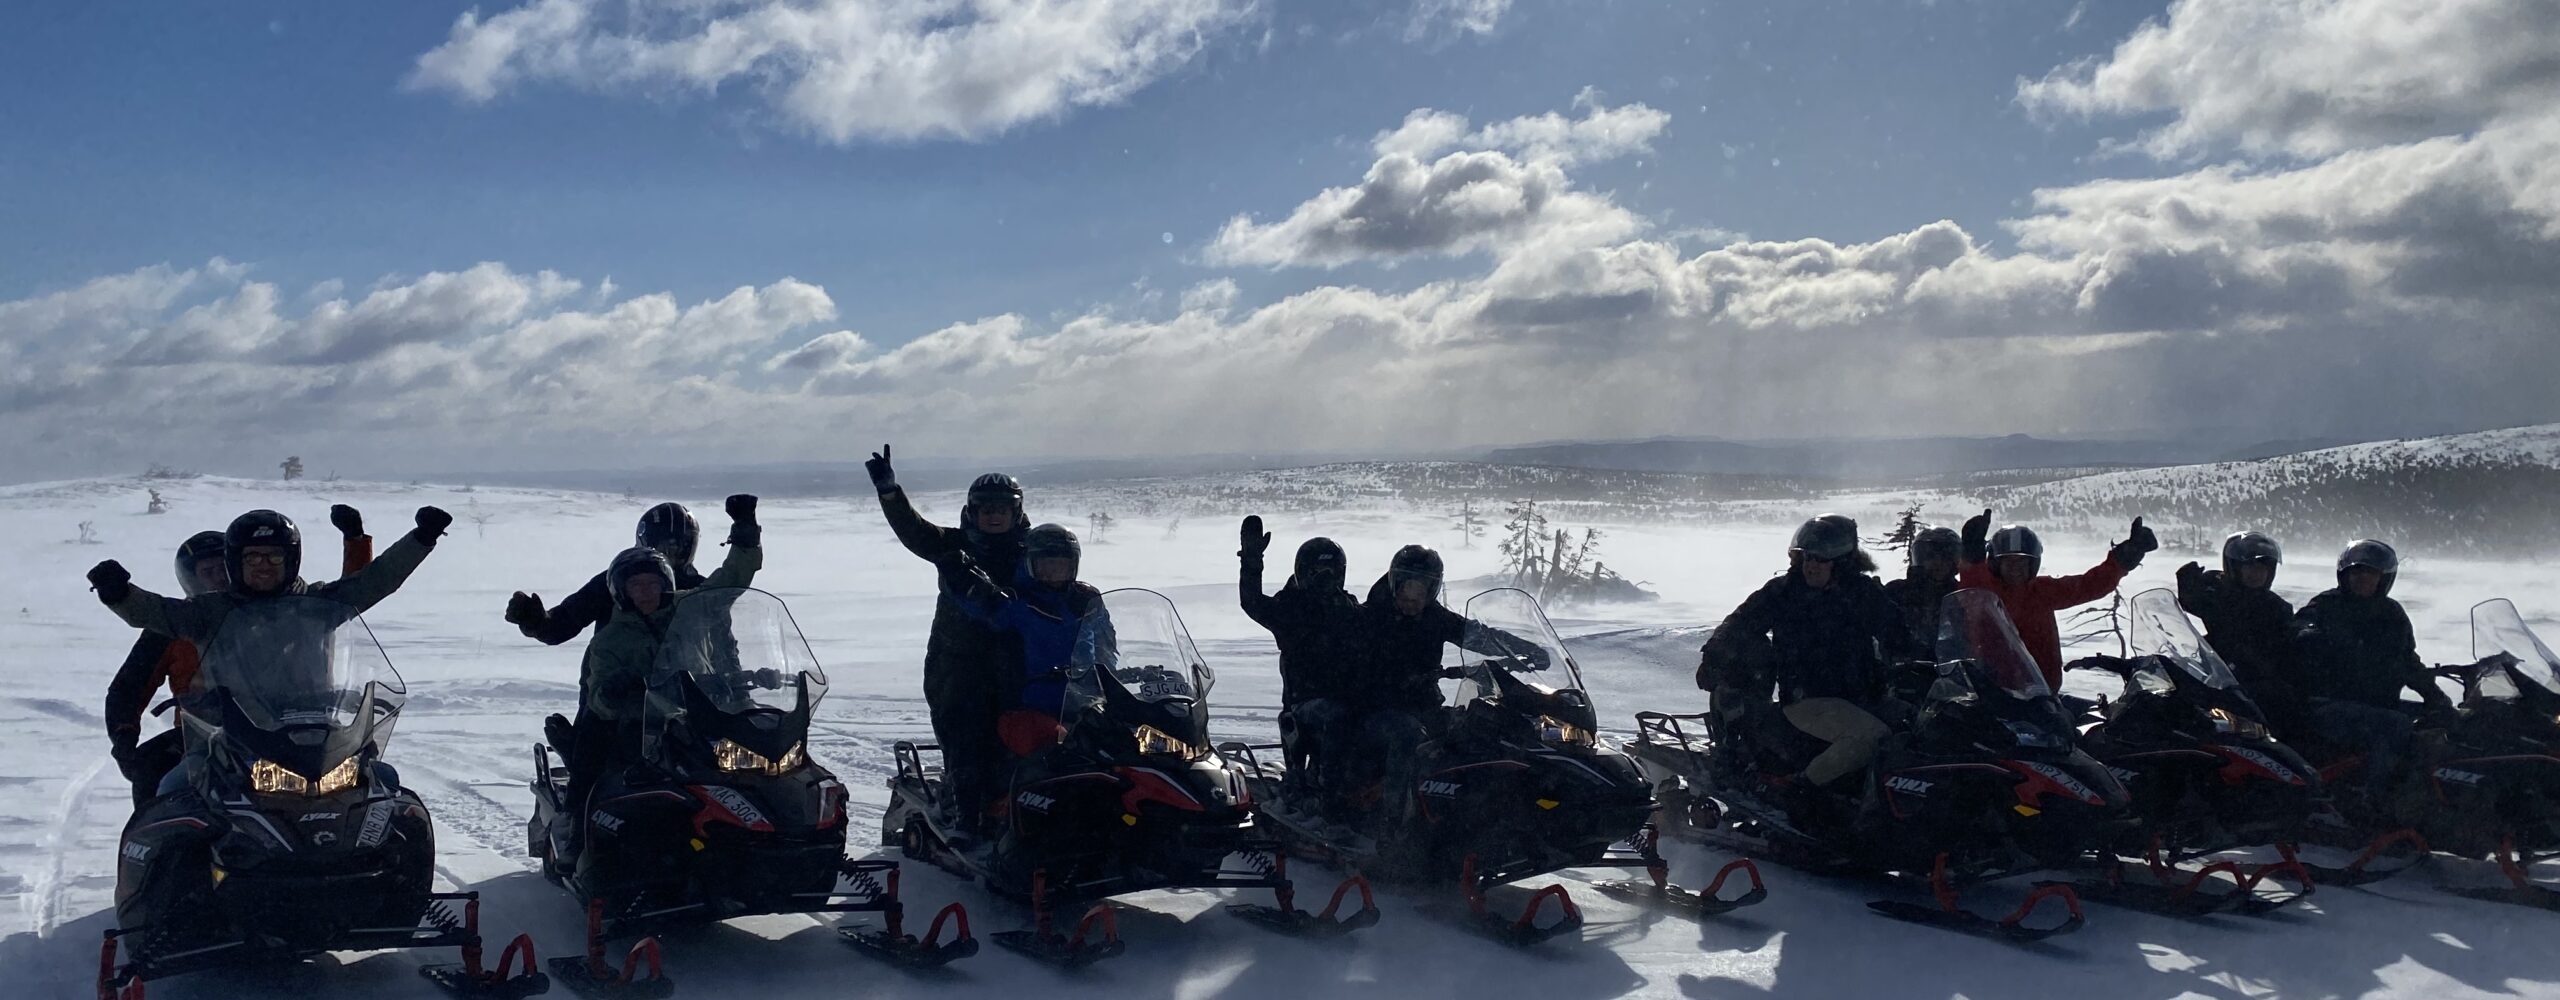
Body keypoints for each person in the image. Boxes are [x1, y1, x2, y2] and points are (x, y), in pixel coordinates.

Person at [86, 505, 451, 798]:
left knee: (385, 791)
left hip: (318, 733)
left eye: (274, 558)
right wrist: (119, 593)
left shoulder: (315, 604)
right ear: (237, 563)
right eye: (253, 558)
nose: (263, 566)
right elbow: (155, 613)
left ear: (290, 560)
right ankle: (154, 880)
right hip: (224, 739)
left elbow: (371, 583)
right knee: (170, 790)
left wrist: (420, 539)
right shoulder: (208, 612)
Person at [555, 495, 762, 858]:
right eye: (637, 586)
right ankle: (576, 823)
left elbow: (733, 579)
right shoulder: (611, 639)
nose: (647, 593)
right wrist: (614, 694)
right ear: (622, 591)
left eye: (653, 584)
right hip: (636, 719)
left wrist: (745, 533)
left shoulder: (689, 607)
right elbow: (599, 688)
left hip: (693, 709)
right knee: (595, 750)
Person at [1698, 515, 1920, 824]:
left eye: (1818, 559)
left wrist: (1930, 658)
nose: (1809, 565)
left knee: (1923, 727)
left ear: (1841, 562)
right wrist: (1714, 655)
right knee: (1870, 737)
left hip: (1865, 696)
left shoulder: (1862, 593)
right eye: (1805, 557)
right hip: (1808, 700)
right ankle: (1800, 789)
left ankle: (1906, 815)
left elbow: (1899, 633)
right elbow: (1739, 623)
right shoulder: (1785, 592)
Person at [863, 444, 1031, 835]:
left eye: (1001, 509)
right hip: (957, 663)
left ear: (1015, 512)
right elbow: (914, 530)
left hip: (1016, 661)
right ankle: (964, 816)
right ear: (972, 512)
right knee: (965, 736)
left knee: (1023, 739)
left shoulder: (1030, 551)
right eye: (985, 509)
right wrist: (891, 493)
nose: (993, 516)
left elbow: (1059, 577)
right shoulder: (953, 545)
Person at [1336, 544, 1547, 832]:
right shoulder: (1369, 617)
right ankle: (1392, 826)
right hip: (1374, 711)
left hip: (1423, 705)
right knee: (1407, 735)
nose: (1411, 601)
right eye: (1405, 592)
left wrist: (1524, 649)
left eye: (1420, 594)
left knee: (1479, 728)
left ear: (1432, 591)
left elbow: (1477, 635)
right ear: (1394, 584)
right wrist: (1385, 680)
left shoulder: (1435, 618)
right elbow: (1347, 667)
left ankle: (1476, 818)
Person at [936, 523, 1106, 841]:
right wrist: (961, 579)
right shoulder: (1016, 601)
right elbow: (982, 606)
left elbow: (1106, 645)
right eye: (1046, 565)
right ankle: (968, 819)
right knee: (1042, 747)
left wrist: (1117, 676)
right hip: (1027, 704)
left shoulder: (1086, 599)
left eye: (1062, 565)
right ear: (1030, 565)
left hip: (1082, 702)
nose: (1054, 573)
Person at [2290, 539, 2452, 811]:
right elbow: (2301, 628)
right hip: (2327, 704)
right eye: (2356, 572)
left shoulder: (2392, 614)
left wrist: (2437, 698)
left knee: (2434, 725)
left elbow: (2407, 660)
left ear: (2383, 579)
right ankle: (2372, 801)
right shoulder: (2327, 605)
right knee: (2394, 725)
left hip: (2375, 702)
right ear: (2345, 575)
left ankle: (2430, 802)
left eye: (2371, 573)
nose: (2363, 579)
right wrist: (2311, 635)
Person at [1235, 516, 1363, 811]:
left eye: (1331, 572)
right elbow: (1252, 602)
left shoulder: (1349, 609)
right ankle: (1331, 803)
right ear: (1303, 573)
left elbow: (1377, 628)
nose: (1324, 579)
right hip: (1304, 704)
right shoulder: (1290, 609)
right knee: (1337, 716)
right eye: (1317, 571)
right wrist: (1252, 560)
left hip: (1346, 698)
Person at [1957, 511, 2156, 689]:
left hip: (2040, 692)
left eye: (2022, 561)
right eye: (2008, 561)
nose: (2015, 567)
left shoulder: (2042, 590)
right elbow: (1969, 577)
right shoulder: (1984, 588)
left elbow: (2088, 585)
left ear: (2033, 564)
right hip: (1991, 691)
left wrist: (2123, 558)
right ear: (1994, 563)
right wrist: (1971, 552)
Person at [505, 502, 705, 645]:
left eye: (683, 545)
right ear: (648, 543)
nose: (675, 554)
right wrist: (537, 622)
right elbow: (565, 621)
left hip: (683, 698)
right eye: (666, 547)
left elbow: (723, 643)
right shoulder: (617, 580)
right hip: (610, 694)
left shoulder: (703, 590)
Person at [2176, 531, 2307, 736]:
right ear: (2234, 567)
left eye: (2263, 568)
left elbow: (2287, 646)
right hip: (2215, 676)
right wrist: (2188, 588)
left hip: (2254, 684)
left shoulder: (2277, 607)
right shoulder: (2218, 591)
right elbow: (2194, 603)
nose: (2257, 573)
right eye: (2250, 566)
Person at [1882, 525, 1962, 644]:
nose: (1937, 563)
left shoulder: (1961, 594)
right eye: (1930, 557)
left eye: (1945, 557)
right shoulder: (1897, 591)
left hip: (1954, 660)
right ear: (1919, 559)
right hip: (1906, 659)